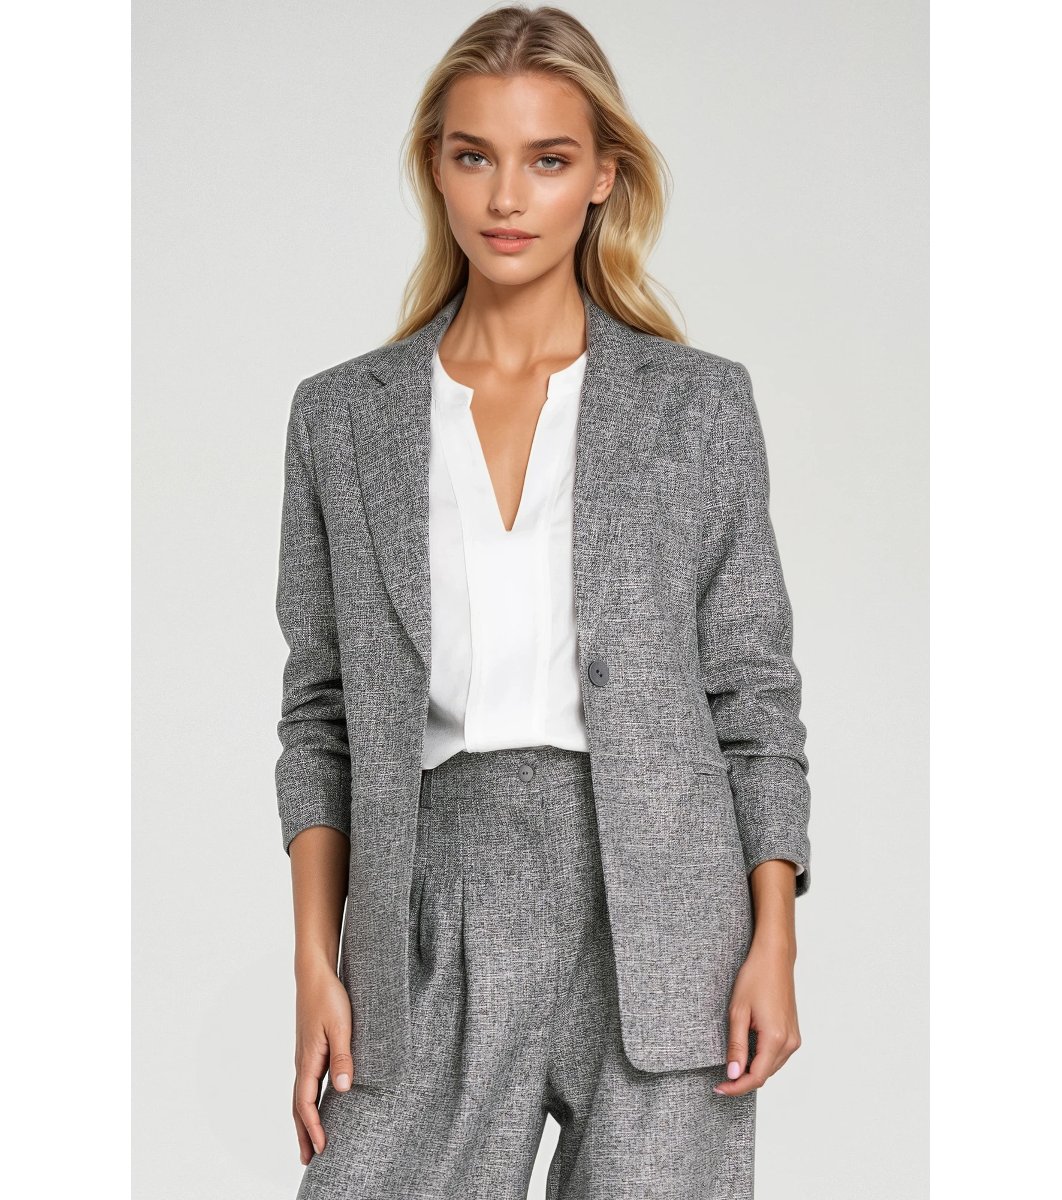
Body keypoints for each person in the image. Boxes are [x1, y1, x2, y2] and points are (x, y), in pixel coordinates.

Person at [274, 6, 811, 1197]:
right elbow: (320, 714)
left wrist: (775, 934)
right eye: (474, 155)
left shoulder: (695, 407)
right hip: (431, 907)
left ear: (604, 175)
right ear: (436, 167)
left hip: (667, 919)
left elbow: (753, 692)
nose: (507, 197)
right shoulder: (342, 418)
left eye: (548, 159)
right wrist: (317, 962)